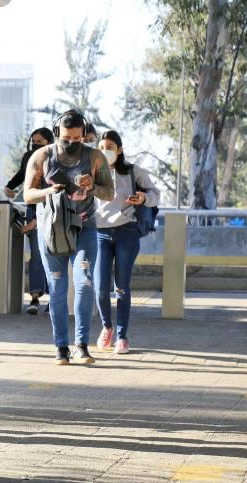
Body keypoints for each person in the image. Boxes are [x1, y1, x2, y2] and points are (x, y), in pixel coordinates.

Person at [23, 110, 114, 365]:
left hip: (84, 227)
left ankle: (81, 344)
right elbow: (27, 195)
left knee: (84, 282)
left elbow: (109, 192)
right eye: (66, 138)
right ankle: (61, 346)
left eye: (77, 138)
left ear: (84, 135)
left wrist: (91, 187)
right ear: (56, 133)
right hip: (51, 228)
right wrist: (50, 191)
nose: (72, 143)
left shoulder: (94, 157)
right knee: (57, 287)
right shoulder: (41, 156)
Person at [94, 130, 160, 354]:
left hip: (127, 232)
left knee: (121, 287)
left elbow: (154, 193)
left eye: (110, 146)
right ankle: (106, 327)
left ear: (119, 149)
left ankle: (122, 336)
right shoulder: (91, 171)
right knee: (101, 288)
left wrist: (143, 197)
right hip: (99, 233)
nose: (105, 151)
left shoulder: (133, 171)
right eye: (101, 146)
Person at [4, 127, 55, 314]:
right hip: (33, 209)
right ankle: (35, 297)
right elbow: (22, 176)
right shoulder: (29, 158)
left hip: (52, 212)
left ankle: (54, 299)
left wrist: (37, 221)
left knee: (53, 257)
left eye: (39, 142)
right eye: (33, 141)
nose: (35, 145)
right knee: (36, 255)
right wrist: (9, 186)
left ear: (49, 142)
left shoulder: (55, 160)